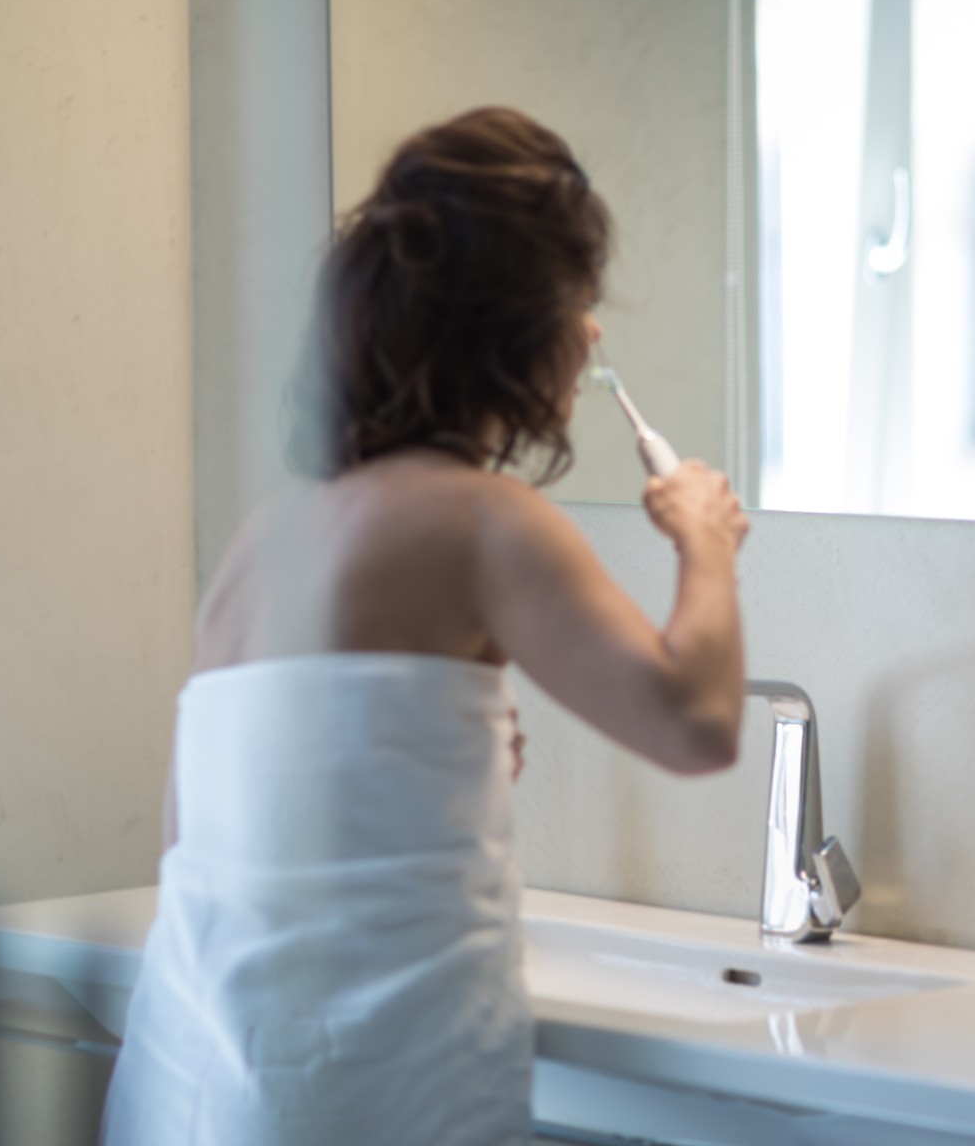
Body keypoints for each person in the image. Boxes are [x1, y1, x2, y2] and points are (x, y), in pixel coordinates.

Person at [101, 108, 749, 1145]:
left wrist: (429, 774)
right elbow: (698, 724)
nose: (591, 333)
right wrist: (706, 543)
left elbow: (210, 845)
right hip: (362, 1098)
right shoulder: (486, 522)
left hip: (191, 1089)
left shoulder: (266, 538)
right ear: (513, 329)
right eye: (578, 302)